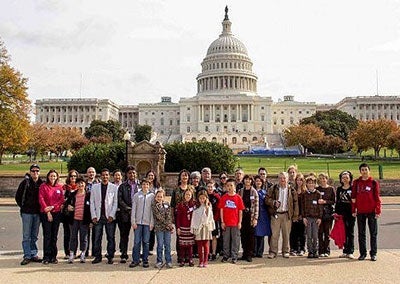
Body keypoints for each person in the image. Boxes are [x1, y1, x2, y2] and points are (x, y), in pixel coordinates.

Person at [351, 163, 381, 261]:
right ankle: (362, 253)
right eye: (362, 170)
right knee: (361, 233)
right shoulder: (356, 182)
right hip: (360, 211)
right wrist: (353, 209)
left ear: (369, 171)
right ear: (360, 171)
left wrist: (378, 210)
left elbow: (377, 197)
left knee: (373, 233)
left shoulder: (373, 182)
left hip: (371, 211)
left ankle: (373, 253)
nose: (364, 171)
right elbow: (353, 197)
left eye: (366, 170)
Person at [15, 164, 44, 265]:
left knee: (34, 235)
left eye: (37, 171)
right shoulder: (25, 183)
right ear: (30, 172)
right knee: (26, 235)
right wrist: (23, 207)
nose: (35, 173)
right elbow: (18, 197)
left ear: (39, 172)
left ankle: (33, 254)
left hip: (38, 213)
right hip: (27, 213)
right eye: (33, 171)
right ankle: (27, 255)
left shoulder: (42, 183)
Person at [266, 172, 298, 259]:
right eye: (280, 178)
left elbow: (295, 203)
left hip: (287, 214)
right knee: (274, 235)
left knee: (286, 234)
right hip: (276, 214)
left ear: (287, 179)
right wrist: (273, 202)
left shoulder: (291, 190)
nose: (282, 180)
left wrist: (295, 215)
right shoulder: (273, 188)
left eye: (284, 178)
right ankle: (273, 252)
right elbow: (267, 199)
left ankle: (286, 251)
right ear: (278, 179)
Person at [90, 168, 118, 264]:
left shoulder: (114, 187)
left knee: (110, 237)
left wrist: (112, 215)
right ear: (100, 176)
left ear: (109, 176)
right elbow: (92, 202)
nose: (105, 177)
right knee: (97, 237)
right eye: (103, 175)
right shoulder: (95, 187)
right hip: (98, 216)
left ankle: (110, 256)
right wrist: (93, 215)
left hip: (109, 217)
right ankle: (97, 256)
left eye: (106, 175)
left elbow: (115, 203)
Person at [39, 169, 64, 264]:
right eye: (51, 176)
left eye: (54, 176)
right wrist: (47, 211)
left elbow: (61, 200)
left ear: (57, 177)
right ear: (48, 177)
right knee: (47, 235)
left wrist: (53, 207)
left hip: (56, 213)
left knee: (54, 235)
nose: (52, 178)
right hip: (45, 213)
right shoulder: (43, 186)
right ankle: (46, 256)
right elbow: (41, 198)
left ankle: (53, 256)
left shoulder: (59, 187)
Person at [64, 177, 91, 263]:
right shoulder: (72, 195)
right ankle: (72, 254)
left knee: (84, 238)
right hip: (74, 219)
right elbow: (66, 205)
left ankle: (83, 253)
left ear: (85, 184)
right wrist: (68, 207)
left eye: (82, 183)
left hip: (84, 220)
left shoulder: (89, 195)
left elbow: (92, 208)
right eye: (79, 183)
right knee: (73, 237)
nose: (81, 185)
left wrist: (90, 221)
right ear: (76, 185)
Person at [129, 178, 155, 268]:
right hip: (138, 222)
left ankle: (145, 260)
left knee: (146, 242)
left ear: (149, 185)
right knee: (136, 242)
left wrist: (152, 222)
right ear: (141, 185)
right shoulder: (136, 195)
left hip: (147, 223)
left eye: (147, 184)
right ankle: (135, 260)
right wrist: (133, 221)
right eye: (144, 184)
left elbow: (152, 210)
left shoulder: (152, 196)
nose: (145, 186)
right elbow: (134, 209)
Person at [219, 178, 245, 264]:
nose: (229, 187)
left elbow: (240, 211)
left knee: (235, 240)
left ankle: (234, 256)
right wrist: (222, 221)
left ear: (235, 187)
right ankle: (226, 255)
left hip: (235, 223)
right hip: (226, 222)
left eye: (231, 185)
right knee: (226, 240)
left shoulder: (238, 198)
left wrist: (240, 222)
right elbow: (221, 210)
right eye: (228, 186)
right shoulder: (224, 197)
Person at [117, 165, 138, 263]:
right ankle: (124, 254)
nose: (132, 174)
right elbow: (120, 200)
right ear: (127, 174)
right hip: (125, 214)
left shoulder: (140, 185)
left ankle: (136, 254)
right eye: (130, 173)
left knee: (138, 236)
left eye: (133, 172)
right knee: (124, 235)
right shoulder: (122, 186)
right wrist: (128, 208)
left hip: (137, 214)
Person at [191, 190, 215, 267]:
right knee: (199, 245)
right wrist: (194, 227)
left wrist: (207, 207)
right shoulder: (196, 207)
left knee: (206, 245)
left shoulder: (208, 206)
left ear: (206, 198)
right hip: (198, 227)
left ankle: (205, 261)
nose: (202, 200)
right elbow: (194, 217)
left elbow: (209, 217)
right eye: (200, 198)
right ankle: (201, 261)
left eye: (203, 198)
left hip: (206, 227)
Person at [335, 171, 356, 259]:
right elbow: (337, 201)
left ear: (350, 178)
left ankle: (350, 251)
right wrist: (336, 212)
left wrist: (355, 210)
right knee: (343, 232)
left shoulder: (353, 188)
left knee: (350, 232)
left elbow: (355, 201)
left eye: (346, 177)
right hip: (341, 213)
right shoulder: (339, 189)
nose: (345, 179)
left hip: (350, 212)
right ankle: (345, 250)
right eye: (343, 177)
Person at [152, 189, 174, 269]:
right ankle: (159, 261)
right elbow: (159, 217)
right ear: (155, 197)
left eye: (161, 197)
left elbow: (169, 216)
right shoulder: (154, 206)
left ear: (163, 197)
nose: (159, 198)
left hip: (167, 228)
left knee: (167, 245)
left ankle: (168, 261)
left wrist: (170, 225)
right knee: (160, 245)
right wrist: (167, 225)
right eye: (158, 196)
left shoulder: (167, 204)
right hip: (159, 228)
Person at [239, 175, 259, 262]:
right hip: (242, 216)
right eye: (246, 179)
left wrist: (255, 218)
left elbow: (256, 206)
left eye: (249, 179)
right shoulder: (240, 191)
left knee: (250, 236)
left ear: (251, 181)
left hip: (251, 216)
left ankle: (249, 254)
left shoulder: (254, 192)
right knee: (243, 235)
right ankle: (244, 253)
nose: (247, 181)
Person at [302, 175, 323, 258]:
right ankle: (310, 251)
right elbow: (302, 206)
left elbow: (320, 206)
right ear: (306, 184)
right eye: (309, 183)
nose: (311, 185)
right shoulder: (304, 194)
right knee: (309, 235)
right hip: (307, 217)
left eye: (312, 183)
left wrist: (320, 217)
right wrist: (303, 217)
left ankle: (315, 250)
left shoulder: (318, 194)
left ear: (315, 184)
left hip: (316, 218)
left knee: (315, 235)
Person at [62, 169, 79, 259]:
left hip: (76, 214)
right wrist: (66, 204)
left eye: (75, 176)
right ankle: (67, 253)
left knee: (74, 234)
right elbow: (61, 200)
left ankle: (74, 252)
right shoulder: (65, 188)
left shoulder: (79, 188)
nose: (73, 178)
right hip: (67, 214)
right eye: (71, 176)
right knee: (67, 234)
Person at [316, 173, 335, 257]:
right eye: (321, 178)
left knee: (327, 233)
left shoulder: (331, 189)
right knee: (320, 233)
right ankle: (320, 250)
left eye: (324, 178)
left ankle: (327, 250)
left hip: (328, 213)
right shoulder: (317, 189)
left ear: (327, 179)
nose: (322, 180)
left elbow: (333, 201)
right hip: (319, 213)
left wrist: (325, 202)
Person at [176, 189, 196, 267]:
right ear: (184, 195)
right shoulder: (180, 205)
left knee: (190, 245)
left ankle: (190, 259)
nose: (188, 196)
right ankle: (182, 259)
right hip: (182, 227)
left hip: (190, 227)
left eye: (189, 195)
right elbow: (178, 217)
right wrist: (178, 227)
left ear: (191, 196)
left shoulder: (194, 205)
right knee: (182, 245)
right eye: (186, 194)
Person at [253, 175, 271, 258]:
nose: (258, 182)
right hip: (254, 215)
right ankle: (254, 251)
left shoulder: (264, 192)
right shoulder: (252, 192)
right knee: (254, 234)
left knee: (261, 234)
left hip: (263, 216)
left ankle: (260, 252)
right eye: (256, 181)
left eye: (259, 181)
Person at [289, 173, 307, 256]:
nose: (299, 181)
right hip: (294, 215)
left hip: (302, 215)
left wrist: (302, 215)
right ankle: (293, 248)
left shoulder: (305, 191)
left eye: (301, 180)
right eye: (297, 180)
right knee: (293, 232)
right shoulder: (292, 190)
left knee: (302, 233)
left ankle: (302, 248)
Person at [85, 166, 99, 258]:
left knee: (96, 232)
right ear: (87, 174)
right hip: (86, 210)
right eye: (89, 172)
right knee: (85, 233)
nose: (91, 174)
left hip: (96, 209)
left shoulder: (99, 183)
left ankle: (95, 251)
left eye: (93, 172)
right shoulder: (84, 184)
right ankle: (85, 251)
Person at [146, 169, 161, 256]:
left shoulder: (157, 187)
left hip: (155, 210)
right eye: (149, 176)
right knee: (147, 230)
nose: (151, 177)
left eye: (152, 176)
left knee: (154, 230)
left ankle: (152, 247)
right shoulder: (144, 186)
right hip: (147, 210)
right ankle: (147, 248)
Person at [206, 180, 221, 260]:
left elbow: (219, 209)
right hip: (206, 220)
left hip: (214, 219)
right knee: (207, 237)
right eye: (208, 186)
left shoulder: (217, 196)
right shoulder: (205, 196)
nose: (210, 188)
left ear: (214, 187)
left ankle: (214, 252)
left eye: (211, 186)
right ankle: (207, 253)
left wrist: (215, 219)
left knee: (214, 237)